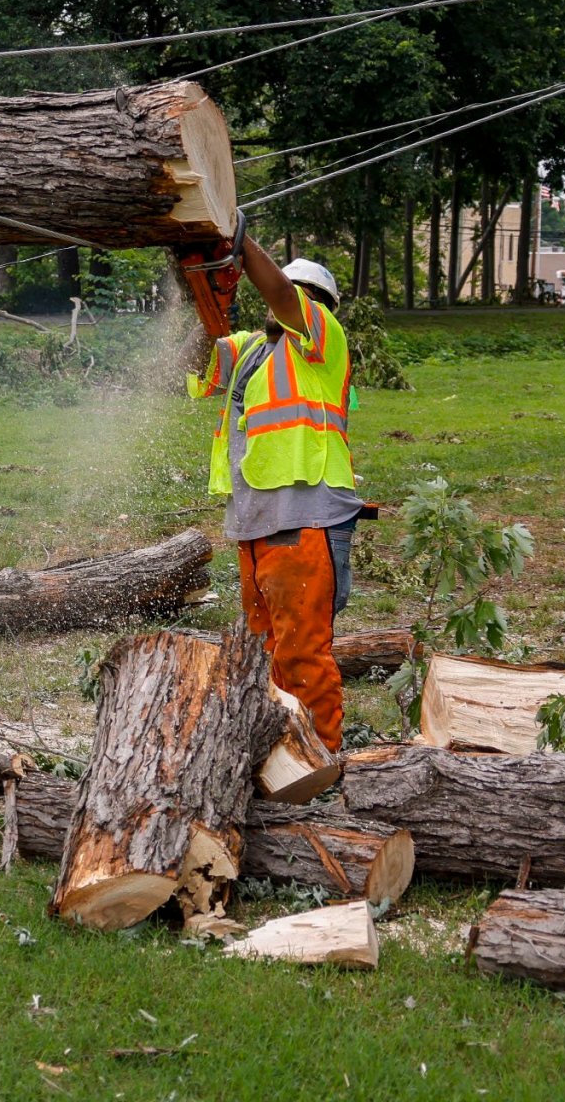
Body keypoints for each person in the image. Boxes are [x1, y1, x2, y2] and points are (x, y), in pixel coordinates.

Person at [188, 233, 359, 749]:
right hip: (256, 518)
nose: (285, 300)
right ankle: (276, 752)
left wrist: (242, 246)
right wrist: (200, 297)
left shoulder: (321, 340)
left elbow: (285, 297)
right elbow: (195, 363)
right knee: (260, 649)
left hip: (307, 515)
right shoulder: (247, 350)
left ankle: (322, 760)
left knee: (302, 652)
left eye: (302, 293)